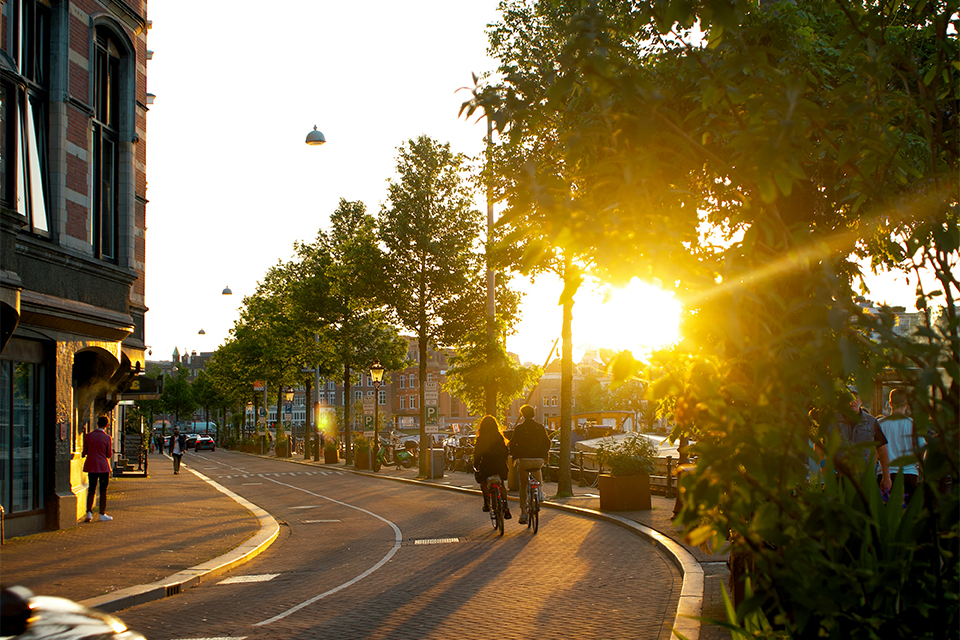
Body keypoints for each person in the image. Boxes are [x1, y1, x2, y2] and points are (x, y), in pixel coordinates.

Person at [822, 386, 892, 494]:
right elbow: (819, 446)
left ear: (861, 400)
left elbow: (882, 449)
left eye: (855, 398)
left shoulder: (871, 422)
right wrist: (824, 466)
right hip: (838, 479)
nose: (852, 402)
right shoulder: (832, 421)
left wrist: (886, 477)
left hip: (864, 480)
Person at [879, 388, 925, 503]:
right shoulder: (913, 425)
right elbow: (922, 450)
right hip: (909, 473)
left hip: (886, 474)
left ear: (890, 403)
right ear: (906, 404)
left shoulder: (880, 424)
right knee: (909, 514)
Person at [510, 404, 550, 525]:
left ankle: (523, 512)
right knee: (538, 467)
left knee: (523, 484)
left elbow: (512, 444)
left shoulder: (519, 429)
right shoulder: (540, 427)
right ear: (533, 414)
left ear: (522, 415)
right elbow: (548, 442)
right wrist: (544, 454)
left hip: (524, 460)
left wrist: (515, 456)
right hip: (539, 459)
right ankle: (541, 492)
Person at [473, 415, 511, 518]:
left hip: (487, 465)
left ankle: (486, 503)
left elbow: (477, 454)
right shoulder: (499, 436)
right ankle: (506, 506)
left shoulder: (481, 438)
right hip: (499, 464)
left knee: (483, 482)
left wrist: (475, 465)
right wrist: (504, 461)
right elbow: (505, 451)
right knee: (502, 484)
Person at [82, 416, 113, 522]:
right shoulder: (107, 438)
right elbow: (109, 454)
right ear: (107, 425)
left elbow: (84, 452)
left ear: (97, 423)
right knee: (103, 490)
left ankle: (89, 512)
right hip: (103, 466)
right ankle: (102, 513)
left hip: (91, 465)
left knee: (91, 489)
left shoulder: (88, 436)